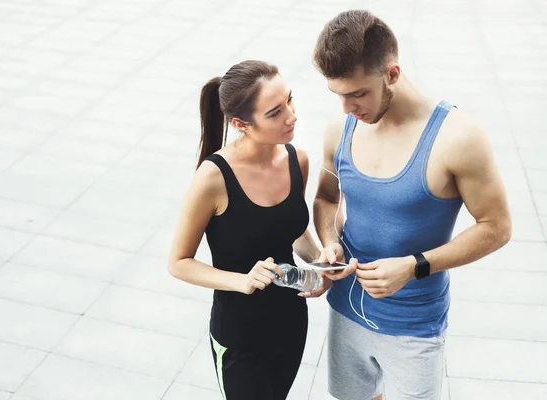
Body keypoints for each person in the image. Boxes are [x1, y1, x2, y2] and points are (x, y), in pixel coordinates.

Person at [311, 10, 512, 400]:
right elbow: (325, 198)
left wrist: (414, 265)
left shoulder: (457, 138)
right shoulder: (341, 128)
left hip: (414, 324)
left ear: (392, 73)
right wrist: (328, 242)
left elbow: (497, 226)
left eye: (357, 94)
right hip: (345, 310)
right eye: (338, 95)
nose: (347, 108)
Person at [168, 60, 331, 400]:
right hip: (239, 335)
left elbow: (293, 230)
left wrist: (321, 259)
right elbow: (179, 262)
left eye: (290, 100)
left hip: (290, 323)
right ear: (242, 124)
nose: (291, 115)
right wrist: (241, 281)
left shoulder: (295, 159)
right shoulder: (213, 177)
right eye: (275, 112)